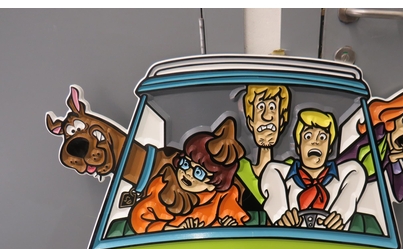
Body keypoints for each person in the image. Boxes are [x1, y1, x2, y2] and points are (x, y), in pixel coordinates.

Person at [129, 117, 249, 233]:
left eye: (198, 172)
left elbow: (233, 220)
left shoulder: (224, 195)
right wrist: (172, 230)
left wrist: (228, 226)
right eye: (185, 164)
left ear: (213, 184)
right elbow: (139, 219)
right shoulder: (164, 183)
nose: (188, 173)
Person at [260, 109, 366, 230]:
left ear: (329, 148)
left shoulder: (347, 173)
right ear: (298, 147)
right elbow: (272, 180)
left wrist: (339, 215)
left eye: (322, 137)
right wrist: (282, 217)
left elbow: (356, 173)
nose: (315, 142)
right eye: (308, 136)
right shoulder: (279, 173)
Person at [337, 87, 403, 203]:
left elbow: (400, 194)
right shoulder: (375, 133)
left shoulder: (391, 153)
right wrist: (390, 159)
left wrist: (394, 160)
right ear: (394, 116)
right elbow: (360, 168)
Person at [236, 85, 291, 216]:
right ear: (250, 122)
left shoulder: (292, 171)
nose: (267, 116)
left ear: (281, 122)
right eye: (260, 107)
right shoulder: (238, 170)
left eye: (272, 107)